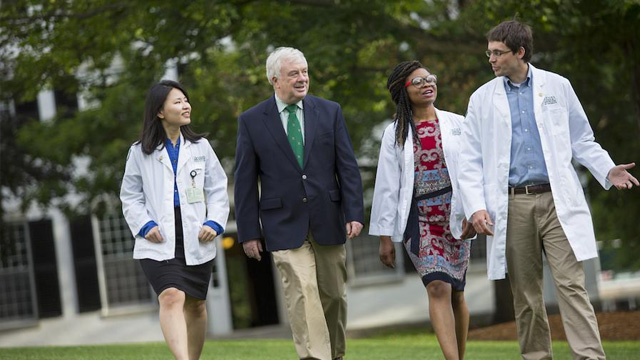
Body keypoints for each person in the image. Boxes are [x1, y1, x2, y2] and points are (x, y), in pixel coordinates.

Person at [458, 20, 639, 360]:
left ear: (520, 52)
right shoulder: (481, 99)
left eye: (498, 53)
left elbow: (582, 139)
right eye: (489, 53)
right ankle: (537, 356)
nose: (491, 59)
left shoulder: (557, 86)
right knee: (526, 293)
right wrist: (475, 207)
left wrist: (606, 167)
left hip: (557, 200)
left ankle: (589, 356)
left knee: (571, 284)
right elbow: (469, 159)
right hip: (512, 205)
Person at [234, 47, 364, 360]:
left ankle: (334, 354)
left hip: (328, 217)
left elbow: (346, 166)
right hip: (282, 223)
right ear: (275, 80)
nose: (302, 78)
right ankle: (314, 357)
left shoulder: (329, 111)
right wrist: (249, 232)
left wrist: (354, 212)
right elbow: (245, 180)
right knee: (303, 293)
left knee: (333, 295)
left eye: (304, 72)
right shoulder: (251, 121)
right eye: (294, 74)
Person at [369, 60, 476, 360]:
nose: (427, 84)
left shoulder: (458, 123)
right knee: (438, 286)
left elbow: (472, 171)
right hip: (420, 219)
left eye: (430, 78)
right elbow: (387, 186)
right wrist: (384, 237)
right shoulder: (395, 133)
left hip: (455, 216)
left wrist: (473, 210)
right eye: (417, 82)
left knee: (457, 291)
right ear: (402, 91)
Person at [120, 80, 229, 360]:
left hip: (195, 234)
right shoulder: (139, 152)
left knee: (196, 305)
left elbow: (217, 188)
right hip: (158, 238)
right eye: (178, 101)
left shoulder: (201, 147)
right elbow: (130, 196)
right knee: (171, 296)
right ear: (159, 111)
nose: (186, 105)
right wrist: (145, 225)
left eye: (186, 100)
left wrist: (215, 222)